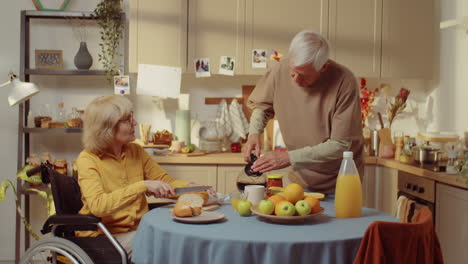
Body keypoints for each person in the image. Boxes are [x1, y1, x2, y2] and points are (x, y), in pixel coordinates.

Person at [76, 95, 215, 257]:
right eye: (127, 120)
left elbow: (166, 182)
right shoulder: (87, 159)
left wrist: (191, 188)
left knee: (181, 238)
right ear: (107, 128)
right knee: (165, 245)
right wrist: (143, 185)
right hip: (104, 237)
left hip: (138, 230)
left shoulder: (135, 151)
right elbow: (98, 206)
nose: (135, 123)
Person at [243, 30, 364, 194]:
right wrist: (254, 133)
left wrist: (288, 157)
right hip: (300, 179)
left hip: (341, 179)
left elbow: (339, 145)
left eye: (304, 76)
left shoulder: (344, 81)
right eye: (293, 73)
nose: (296, 81)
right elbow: (263, 106)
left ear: (323, 67)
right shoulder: (280, 70)